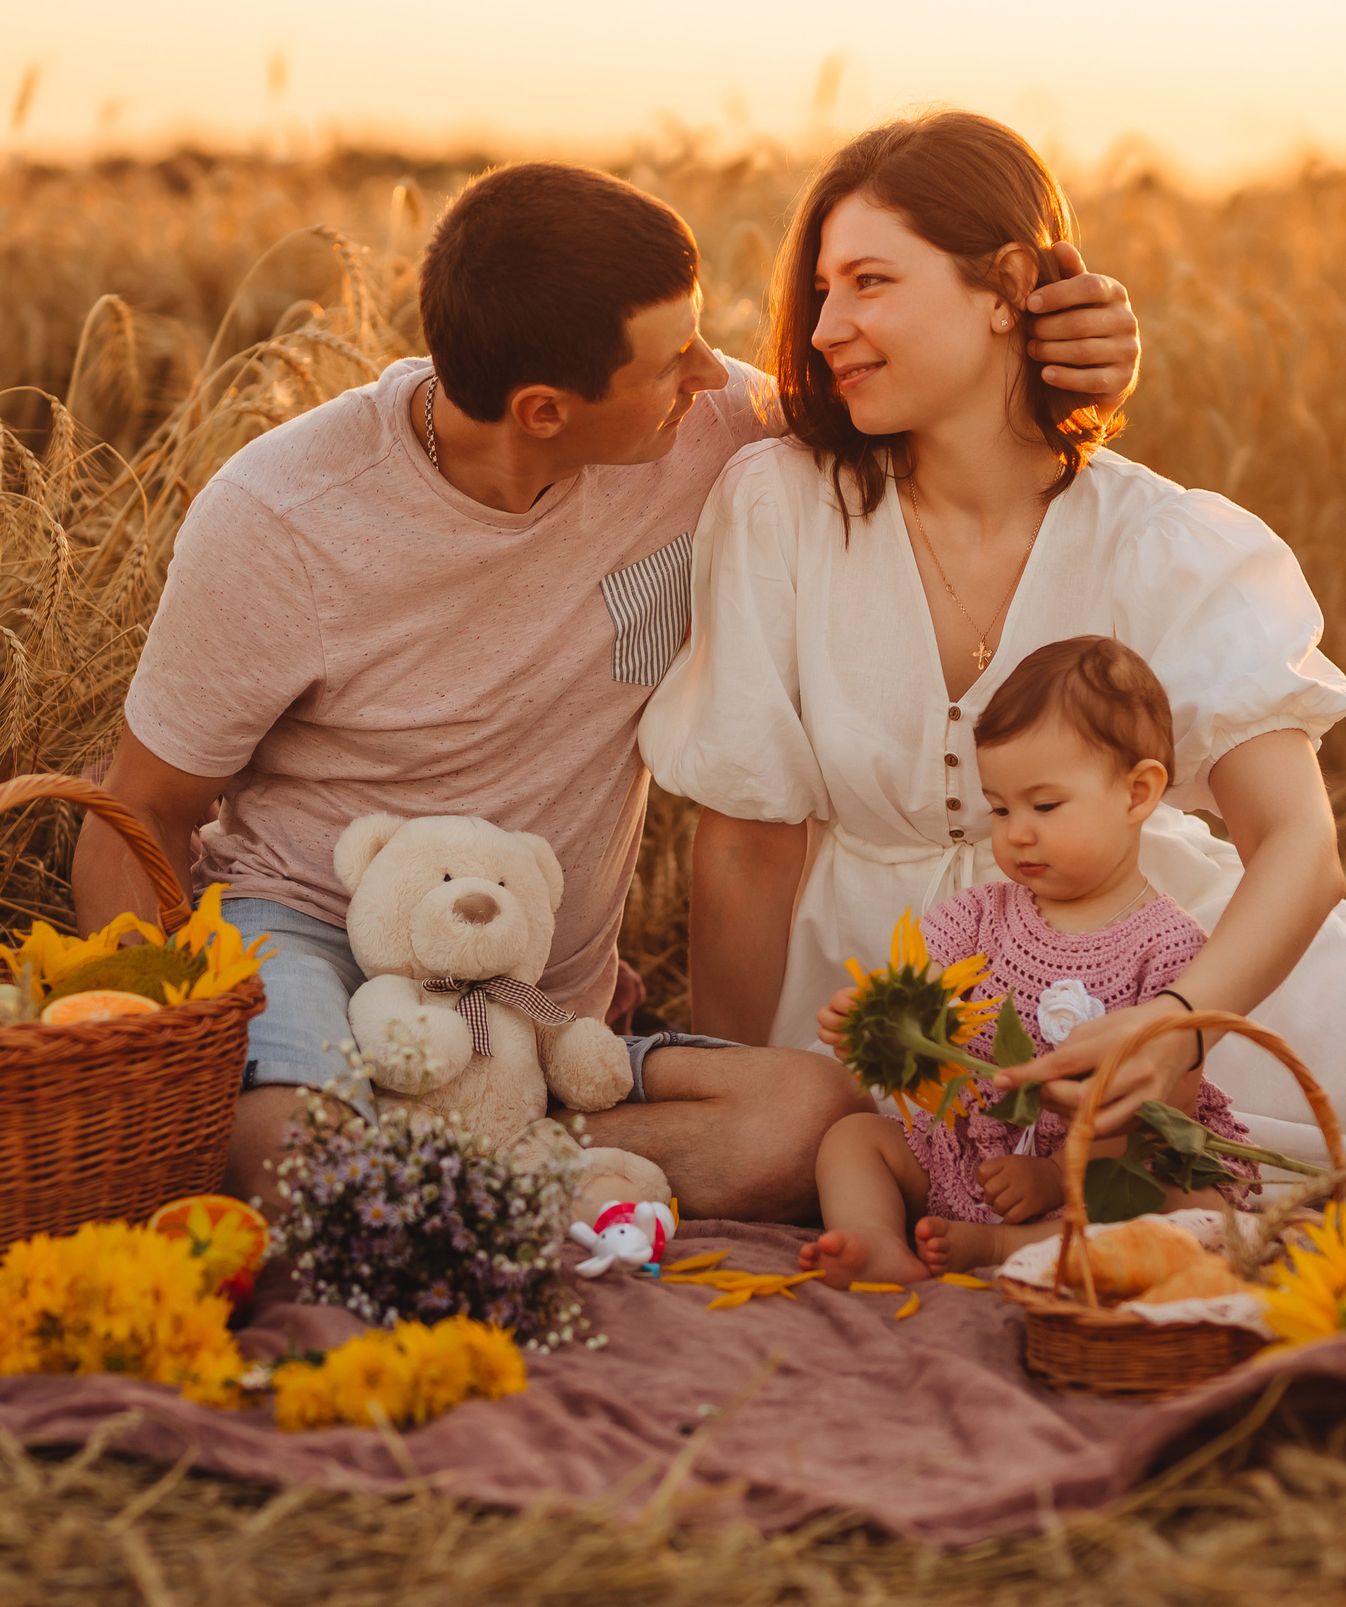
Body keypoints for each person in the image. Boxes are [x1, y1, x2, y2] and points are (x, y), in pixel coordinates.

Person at [72, 158, 1146, 1221]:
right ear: (544, 411)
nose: (712, 375)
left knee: (803, 1118)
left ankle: (420, 1184)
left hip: (537, 1000)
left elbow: (923, 409)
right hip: (312, 928)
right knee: (289, 1150)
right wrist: (157, 1045)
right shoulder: (282, 518)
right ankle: (421, 1175)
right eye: (672, 361)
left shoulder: (710, 429)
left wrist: (1074, 359)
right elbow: (140, 812)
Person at [640, 110, 1346, 1181]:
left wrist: (1181, 1026)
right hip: (873, 992)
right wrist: (737, 1078)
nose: (826, 326)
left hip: (1130, 950)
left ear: (1008, 284)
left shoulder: (1165, 543)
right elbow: (744, 844)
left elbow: (1298, 842)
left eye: (871, 282)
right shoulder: (781, 506)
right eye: (822, 290)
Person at [799, 636, 1257, 1287]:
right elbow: (922, 1006)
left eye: (1044, 805)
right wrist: (875, 1020)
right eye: (1001, 807)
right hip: (976, 1152)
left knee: (1192, 1211)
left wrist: (1053, 1173)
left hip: (1100, 1171)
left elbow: (1160, 1105)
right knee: (851, 1139)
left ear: (1136, 793)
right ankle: (874, 1240)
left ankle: (1002, 1246)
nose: (1016, 831)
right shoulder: (979, 916)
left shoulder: (1171, 949)